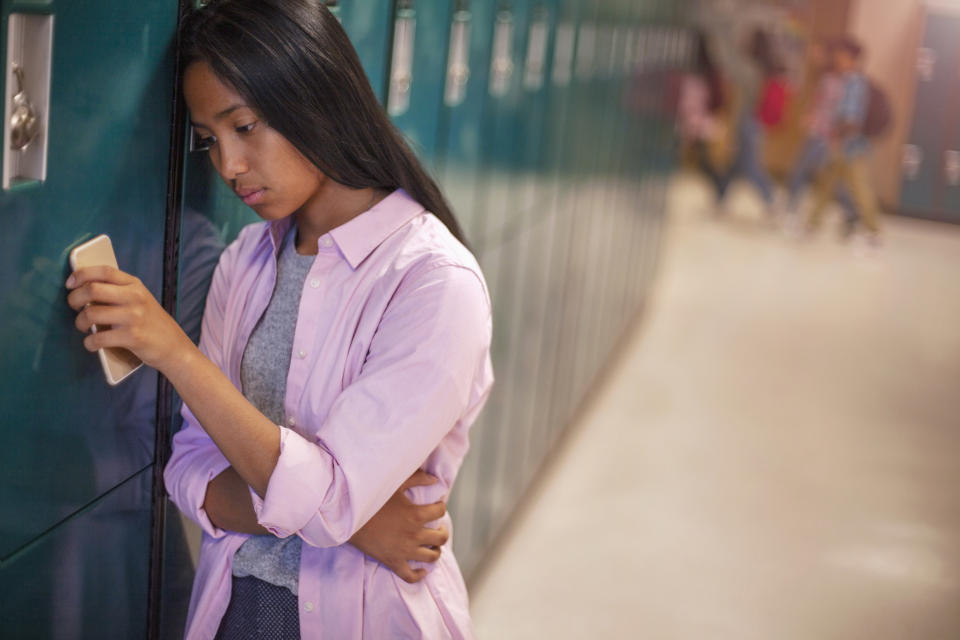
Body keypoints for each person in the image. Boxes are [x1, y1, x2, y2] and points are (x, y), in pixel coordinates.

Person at [65, 0, 494, 638]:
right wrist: (355, 520)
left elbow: (329, 507)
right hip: (234, 613)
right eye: (210, 140)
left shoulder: (433, 284)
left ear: (316, 99)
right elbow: (188, 471)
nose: (228, 166)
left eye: (245, 127)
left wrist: (177, 355)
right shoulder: (245, 264)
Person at [805, 37, 882, 243]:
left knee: (859, 188)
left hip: (850, 146)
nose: (837, 58)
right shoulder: (849, 80)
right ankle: (811, 225)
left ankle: (873, 233)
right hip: (843, 143)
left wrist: (837, 138)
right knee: (826, 184)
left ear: (851, 58)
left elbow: (851, 118)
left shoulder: (854, 82)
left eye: (842, 54)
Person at [785, 38, 858, 237]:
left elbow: (843, 114)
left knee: (801, 171)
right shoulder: (827, 77)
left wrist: (835, 137)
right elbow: (819, 102)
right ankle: (851, 210)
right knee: (822, 176)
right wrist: (809, 116)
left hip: (825, 136)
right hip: (816, 131)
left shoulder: (849, 83)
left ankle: (790, 212)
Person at [721, 28, 788, 217]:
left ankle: (771, 199)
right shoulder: (766, 69)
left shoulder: (750, 70)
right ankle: (721, 196)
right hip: (756, 122)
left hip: (748, 121)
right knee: (736, 163)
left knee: (749, 165)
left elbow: (732, 74)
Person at [677, 30, 733, 203]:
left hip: (702, 121)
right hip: (699, 120)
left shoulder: (701, 72)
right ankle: (721, 189)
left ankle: (721, 188)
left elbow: (714, 99)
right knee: (704, 162)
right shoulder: (710, 70)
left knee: (706, 162)